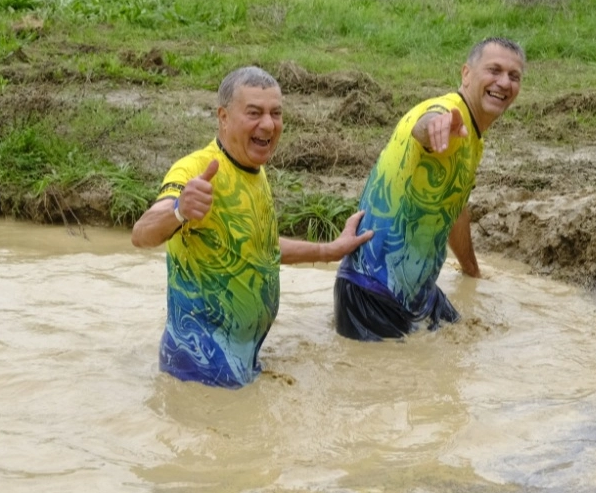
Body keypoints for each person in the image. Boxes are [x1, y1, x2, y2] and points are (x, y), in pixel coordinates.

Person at [131, 66, 373, 388]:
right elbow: (141, 234)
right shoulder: (197, 169)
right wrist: (179, 209)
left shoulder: (253, 170)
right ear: (224, 117)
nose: (269, 124)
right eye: (254, 113)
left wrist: (329, 250)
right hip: (199, 367)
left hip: (242, 358)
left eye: (276, 113)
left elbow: (261, 249)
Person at [334, 37, 525, 341]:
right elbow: (424, 126)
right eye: (494, 70)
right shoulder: (449, 113)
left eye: (513, 76)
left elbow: (455, 208)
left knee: (461, 357)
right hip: (372, 293)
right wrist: (435, 124)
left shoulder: (474, 140)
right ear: (466, 74)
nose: (503, 83)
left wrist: (472, 272)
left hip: (419, 294)